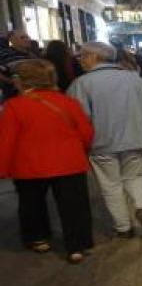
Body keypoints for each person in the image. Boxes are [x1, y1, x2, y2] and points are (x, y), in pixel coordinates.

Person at [0, 59, 95, 263]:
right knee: (74, 205)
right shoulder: (68, 102)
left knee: (31, 204)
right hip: (69, 161)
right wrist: (81, 150)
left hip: (29, 165)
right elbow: (86, 133)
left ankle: (39, 239)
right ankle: (76, 246)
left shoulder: (14, 106)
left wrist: (3, 168)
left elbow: (7, 140)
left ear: (21, 81)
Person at [68, 42, 142, 239]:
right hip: (135, 139)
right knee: (135, 177)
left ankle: (123, 227)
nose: (80, 60)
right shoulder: (134, 79)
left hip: (101, 143)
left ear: (94, 57)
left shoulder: (82, 84)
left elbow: (78, 118)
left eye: (83, 56)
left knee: (111, 185)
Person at [0, 30, 36, 99]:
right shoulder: (5, 54)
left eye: (27, 37)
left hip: (32, 94)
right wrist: (9, 80)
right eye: (22, 38)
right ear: (13, 40)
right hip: (13, 97)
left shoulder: (32, 55)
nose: (27, 40)